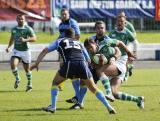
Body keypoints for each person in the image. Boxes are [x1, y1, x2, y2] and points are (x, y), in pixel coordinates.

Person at [30, 28, 116, 114]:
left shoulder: (59, 41)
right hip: (82, 64)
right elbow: (88, 60)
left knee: (55, 83)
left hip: (69, 63)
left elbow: (45, 50)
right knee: (93, 88)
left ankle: (53, 107)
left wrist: (36, 63)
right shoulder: (79, 43)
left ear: (64, 35)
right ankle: (109, 107)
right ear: (74, 36)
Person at [6, 14, 37, 92]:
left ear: (24, 20)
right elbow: (12, 38)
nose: (21, 20)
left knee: (27, 70)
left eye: (22, 19)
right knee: (13, 64)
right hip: (16, 50)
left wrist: (25, 40)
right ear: (17, 20)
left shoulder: (28, 29)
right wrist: (9, 46)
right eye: (19, 19)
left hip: (26, 51)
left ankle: (29, 84)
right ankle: (17, 78)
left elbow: (34, 38)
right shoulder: (14, 29)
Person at [58, 8, 82, 104]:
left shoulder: (72, 23)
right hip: (65, 48)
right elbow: (61, 36)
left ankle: (79, 98)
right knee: (64, 66)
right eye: (62, 14)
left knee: (74, 72)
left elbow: (77, 36)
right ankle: (78, 98)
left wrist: (70, 45)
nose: (64, 16)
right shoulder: (60, 25)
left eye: (65, 14)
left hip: (73, 49)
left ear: (68, 14)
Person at [118, 11, 139, 81]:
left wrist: (128, 36)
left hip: (128, 43)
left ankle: (126, 72)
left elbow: (134, 35)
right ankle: (129, 68)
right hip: (121, 43)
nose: (121, 18)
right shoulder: (118, 24)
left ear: (125, 17)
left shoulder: (129, 25)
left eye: (122, 16)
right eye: (119, 16)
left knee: (126, 58)